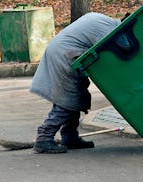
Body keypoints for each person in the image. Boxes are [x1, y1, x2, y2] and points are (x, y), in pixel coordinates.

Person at [30, 12, 121, 153]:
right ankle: (44, 138)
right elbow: (114, 57)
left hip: (64, 52)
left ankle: (70, 136)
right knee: (66, 100)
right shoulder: (109, 30)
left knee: (75, 97)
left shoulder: (104, 21)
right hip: (64, 56)